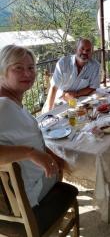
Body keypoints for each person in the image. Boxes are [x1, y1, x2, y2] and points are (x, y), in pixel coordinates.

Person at [0, 44, 64, 207]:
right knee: (65, 166)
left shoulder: (12, 102)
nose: (27, 73)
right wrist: (30, 153)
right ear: (2, 71)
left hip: (26, 186)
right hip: (27, 194)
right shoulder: (3, 107)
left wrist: (46, 154)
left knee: (60, 161)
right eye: (18, 68)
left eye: (31, 67)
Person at [42, 38, 100, 112]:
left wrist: (75, 94)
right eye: (82, 49)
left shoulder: (95, 66)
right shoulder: (63, 63)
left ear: (92, 53)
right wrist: (49, 110)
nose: (85, 52)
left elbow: (93, 87)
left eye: (88, 50)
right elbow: (54, 88)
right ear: (76, 49)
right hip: (59, 100)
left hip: (79, 100)